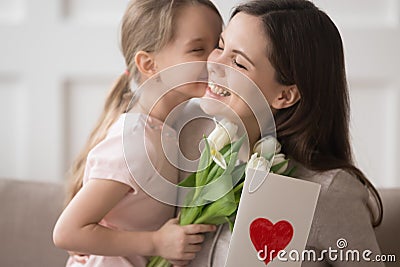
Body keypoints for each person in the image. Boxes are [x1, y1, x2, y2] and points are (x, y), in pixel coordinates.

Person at [179, 0, 384, 266]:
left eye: (239, 63)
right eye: (220, 46)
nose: (215, 64)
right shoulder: (193, 142)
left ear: (285, 95)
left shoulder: (328, 191)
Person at [53, 1, 223, 266]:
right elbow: (67, 232)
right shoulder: (134, 142)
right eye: (198, 49)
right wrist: (156, 242)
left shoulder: (170, 125)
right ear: (148, 64)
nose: (214, 59)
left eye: (218, 46)